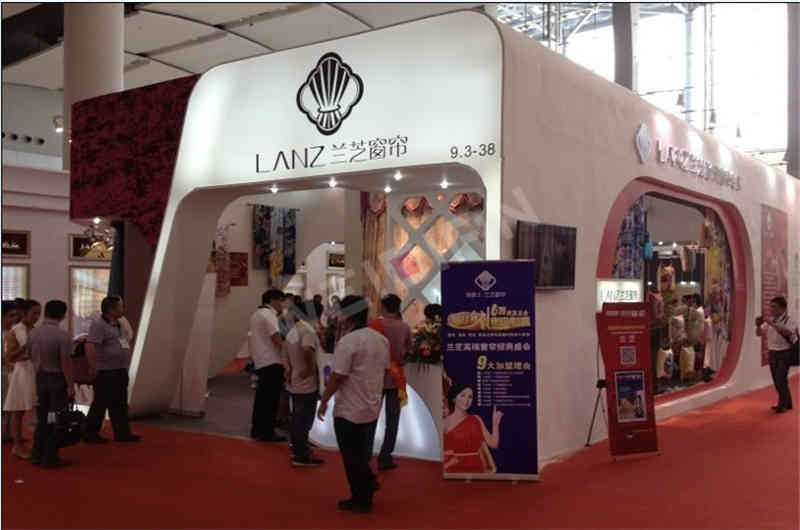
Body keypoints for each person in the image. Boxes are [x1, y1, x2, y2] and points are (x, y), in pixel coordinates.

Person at [318, 295, 390, 513]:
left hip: (349, 409)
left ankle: (361, 498)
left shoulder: (348, 342)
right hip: (371, 406)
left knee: (352, 456)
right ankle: (368, 483)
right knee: (360, 453)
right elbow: (385, 371)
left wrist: (324, 400)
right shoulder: (381, 340)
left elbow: (337, 376)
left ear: (346, 315)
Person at [84, 296, 141, 443]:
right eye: (120, 306)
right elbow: (90, 345)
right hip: (105, 371)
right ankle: (90, 434)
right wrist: (93, 366)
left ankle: (122, 433)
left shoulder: (119, 323)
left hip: (120, 369)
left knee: (120, 403)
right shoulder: (98, 324)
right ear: (111, 309)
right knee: (101, 403)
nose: (123, 309)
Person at [29, 300, 75, 468]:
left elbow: (30, 356)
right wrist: (71, 385)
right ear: (63, 315)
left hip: (40, 379)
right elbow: (65, 363)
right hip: (57, 380)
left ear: (45, 312)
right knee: (56, 419)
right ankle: (50, 456)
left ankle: (36, 454)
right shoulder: (63, 335)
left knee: (42, 419)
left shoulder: (33, 333)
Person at [368, 293, 411, 471]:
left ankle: (365, 454)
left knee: (370, 418)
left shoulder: (373, 325)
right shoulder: (405, 327)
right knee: (392, 421)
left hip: (376, 378)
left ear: (384, 307)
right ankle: (385, 457)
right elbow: (408, 351)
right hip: (396, 379)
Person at [285, 301, 324, 467]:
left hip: (295, 378)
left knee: (297, 417)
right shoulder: (307, 330)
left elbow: (286, 354)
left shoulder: (294, 330)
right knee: (304, 419)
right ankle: (301, 454)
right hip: (306, 382)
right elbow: (307, 350)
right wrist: (309, 369)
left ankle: (298, 448)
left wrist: (291, 370)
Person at [3, 299, 41, 459]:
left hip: (36, 371)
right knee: (18, 410)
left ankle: (36, 443)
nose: (37, 317)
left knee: (37, 409)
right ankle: (17, 446)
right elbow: (9, 357)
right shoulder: (15, 330)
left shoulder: (36, 330)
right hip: (21, 373)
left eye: (39, 314)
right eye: (34, 313)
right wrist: (24, 348)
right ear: (25, 313)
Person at [249, 289, 287, 442]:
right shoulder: (269, 314)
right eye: (281, 301)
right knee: (270, 400)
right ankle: (267, 432)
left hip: (261, 361)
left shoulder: (256, 314)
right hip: (272, 361)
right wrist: (290, 353)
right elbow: (276, 338)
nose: (282, 305)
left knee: (262, 398)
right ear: (273, 300)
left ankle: (257, 429)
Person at [443, 383, 503, 474]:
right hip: (454, 469)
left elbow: (494, 444)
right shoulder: (445, 422)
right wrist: (447, 464)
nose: (466, 400)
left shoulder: (476, 419)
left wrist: (495, 424)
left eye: (470, 397)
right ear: (454, 398)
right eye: (463, 395)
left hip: (477, 468)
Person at [756, 296, 798, 413]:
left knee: (780, 379)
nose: (771, 309)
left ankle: (782, 404)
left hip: (785, 353)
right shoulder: (770, 321)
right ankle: (787, 403)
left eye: (774, 307)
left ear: (783, 308)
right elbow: (759, 334)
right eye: (771, 307)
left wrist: (771, 323)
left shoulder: (790, 320)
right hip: (772, 353)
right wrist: (758, 325)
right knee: (777, 380)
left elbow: (787, 332)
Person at [2, 300, 22, 443]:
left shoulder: (12, 333)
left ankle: (8, 433)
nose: (14, 319)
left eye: (15, 315)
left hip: (11, 373)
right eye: (11, 315)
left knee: (10, 406)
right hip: (3, 373)